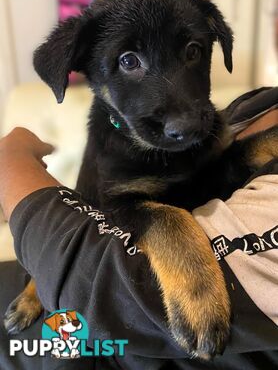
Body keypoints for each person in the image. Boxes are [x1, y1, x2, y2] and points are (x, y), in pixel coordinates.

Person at [0, 89, 277, 370]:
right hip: (61, 257)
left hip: (112, 341)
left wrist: (11, 160)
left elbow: (94, 289)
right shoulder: (259, 101)